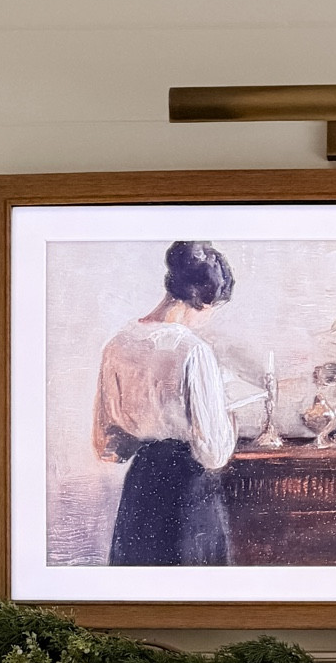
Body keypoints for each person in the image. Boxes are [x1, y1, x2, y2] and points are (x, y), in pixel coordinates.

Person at [93, 241, 238, 566]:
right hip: (188, 494)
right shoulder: (193, 351)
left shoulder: (116, 346)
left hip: (141, 489)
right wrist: (229, 417)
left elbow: (108, 447)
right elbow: (214, 452)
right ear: (203, 300)